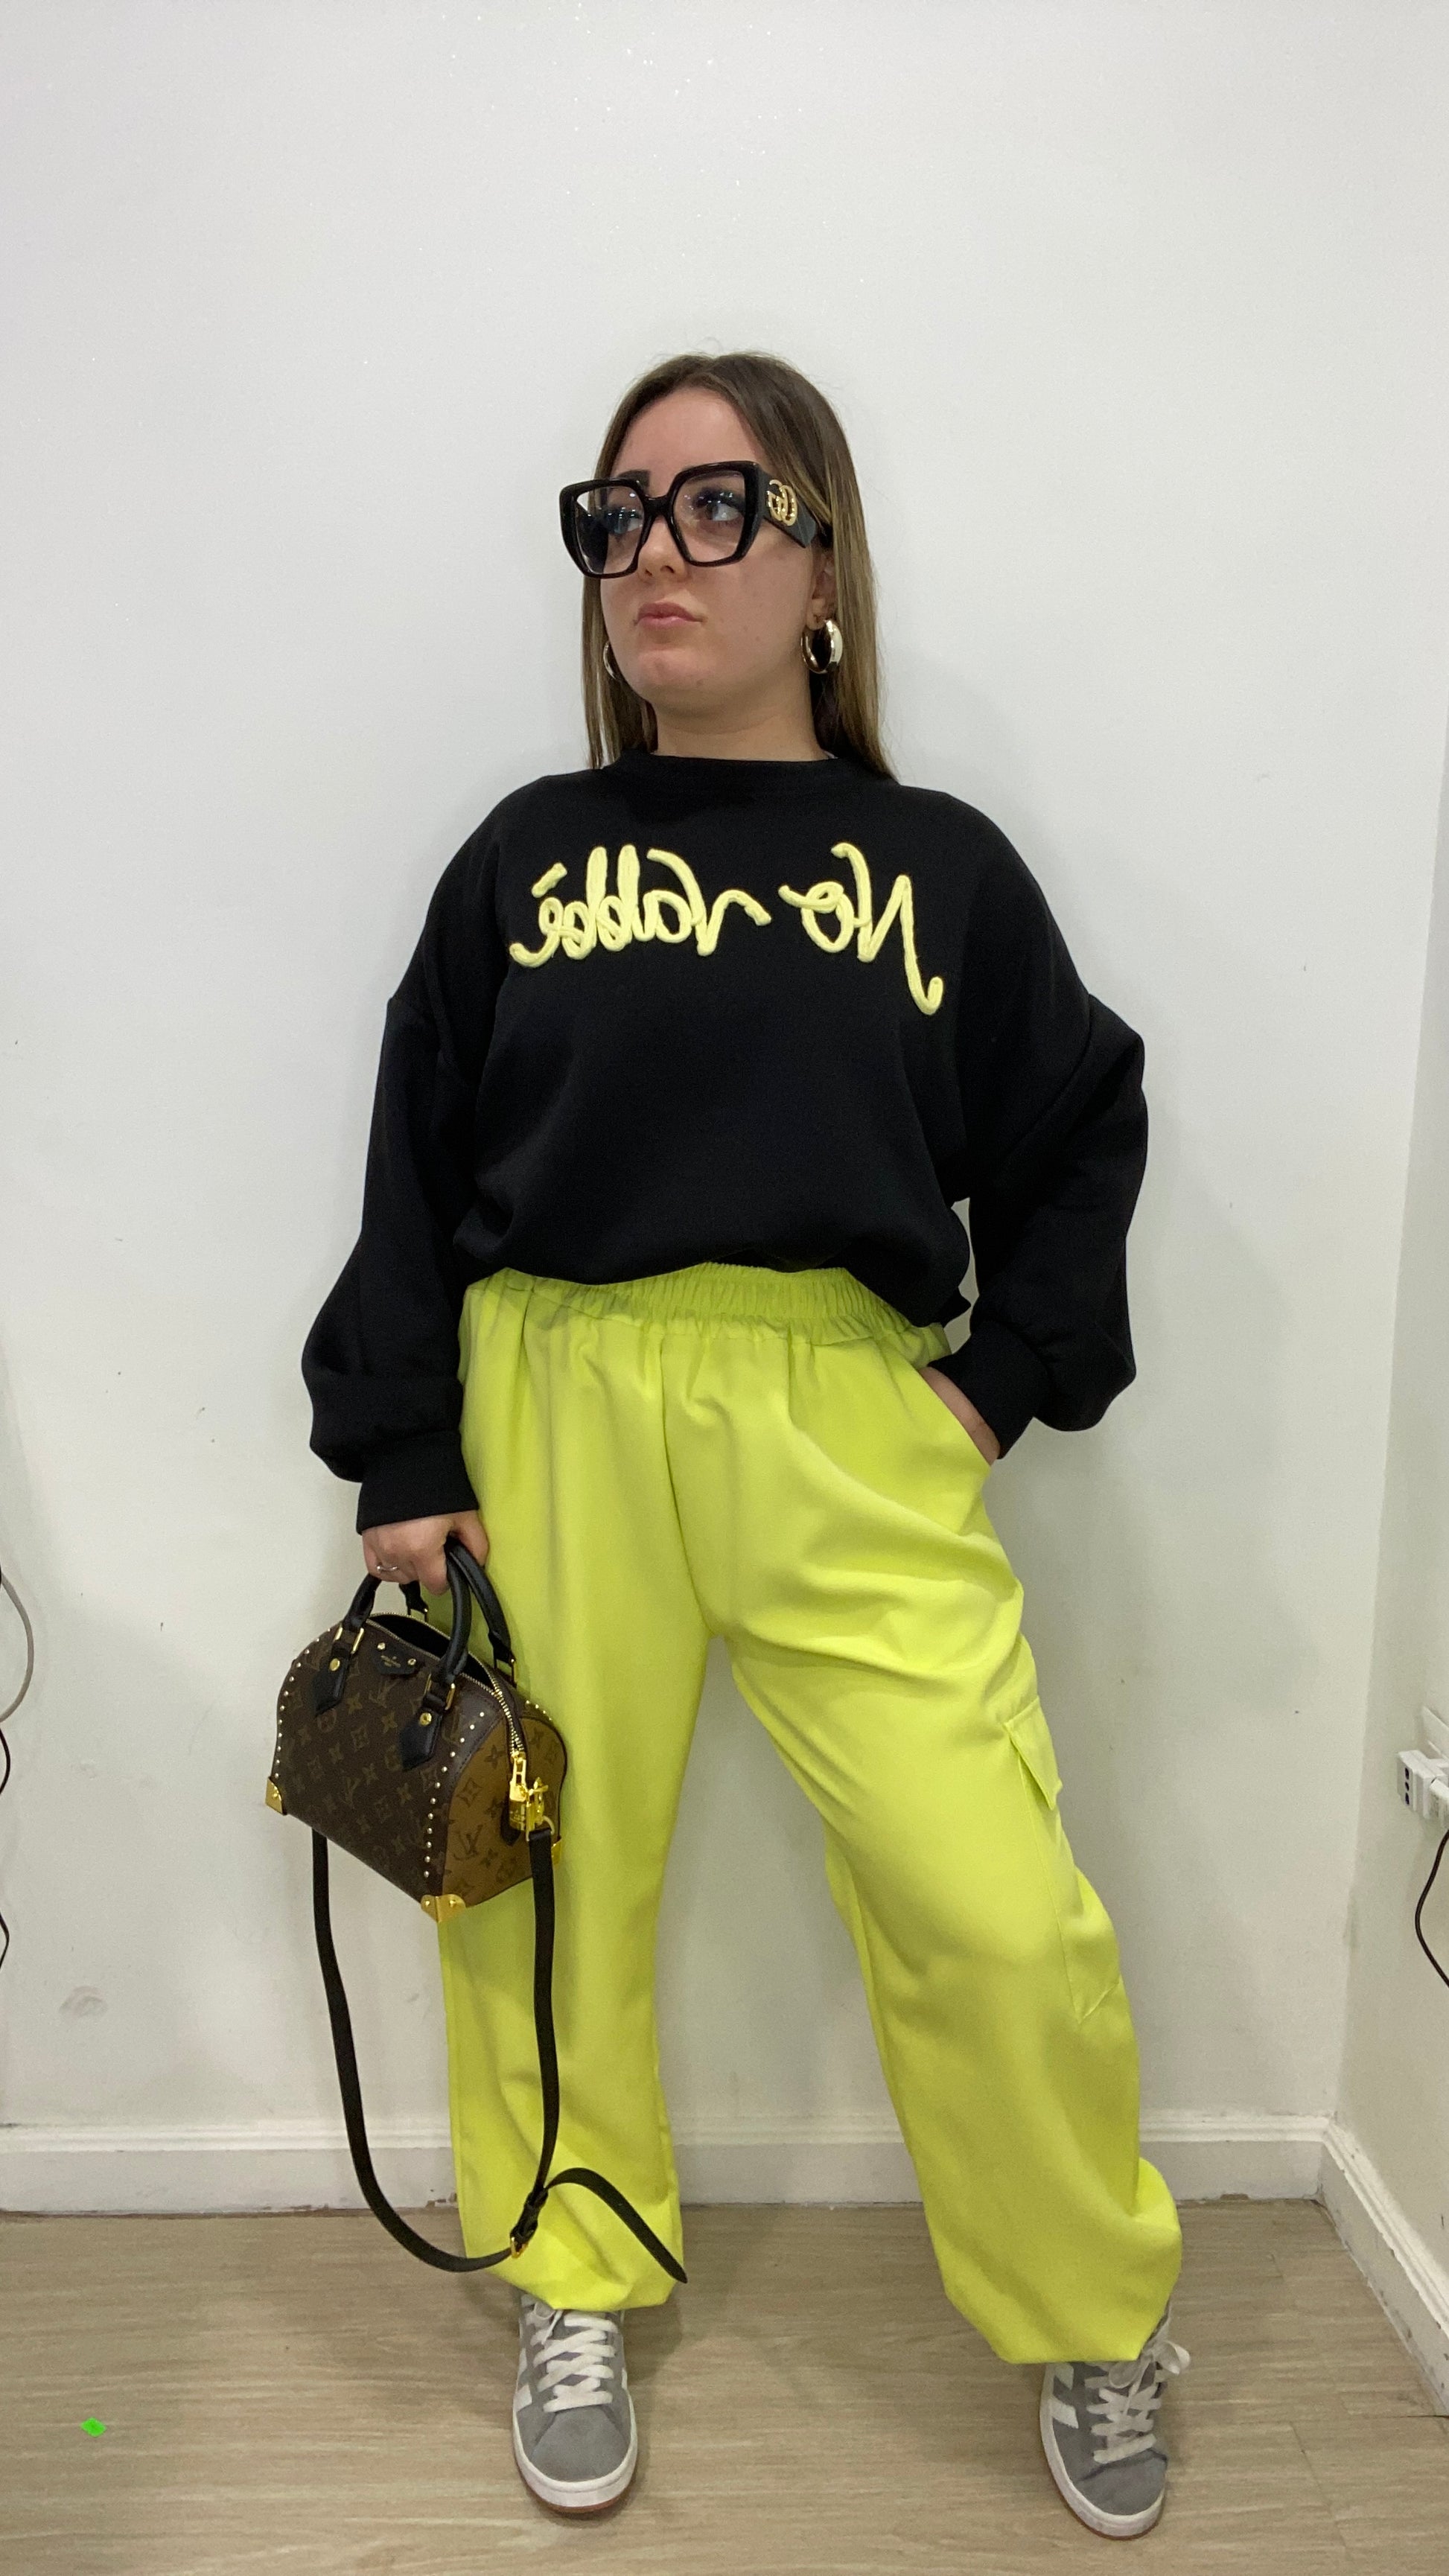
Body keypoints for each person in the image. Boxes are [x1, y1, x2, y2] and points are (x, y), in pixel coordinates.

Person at [302, 349, 1189, 2536]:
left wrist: (996, 1381)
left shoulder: (940, 869)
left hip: (843, 1414)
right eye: (615, 516)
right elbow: (412, 1156)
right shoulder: (525, 857)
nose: (651, 556)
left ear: (822, 564)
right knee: (527, 1878)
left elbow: (1079, 1128)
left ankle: (1087, 2305)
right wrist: (400, 1441)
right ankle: (571, 2267)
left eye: (713, 505)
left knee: (993, 1903)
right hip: (550, 1402)